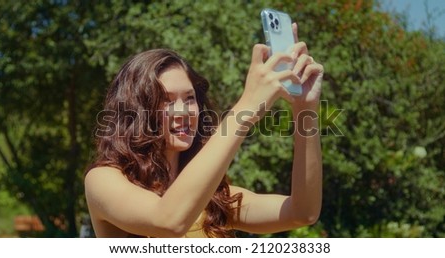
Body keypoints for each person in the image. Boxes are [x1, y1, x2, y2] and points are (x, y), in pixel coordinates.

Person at [84, 23, 323, 238]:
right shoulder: (103, 180)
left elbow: (302, 212)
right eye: (166, 100)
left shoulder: (213, 198)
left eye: (189, 98)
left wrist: (306, 108)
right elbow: (169, 221)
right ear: (137, 112)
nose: (183, 111)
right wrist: (247, 107)